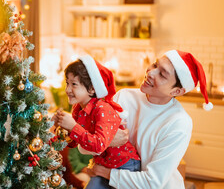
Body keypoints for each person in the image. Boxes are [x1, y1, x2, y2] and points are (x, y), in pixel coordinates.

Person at [88, 49, 213, 188]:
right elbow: (84, 146)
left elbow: (152, 182)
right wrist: (106, 141)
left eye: (162, 74)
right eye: (154, 65)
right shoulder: (123, 97)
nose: (150, 73)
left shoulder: (179, 122)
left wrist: (106, 173)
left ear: (176, 91)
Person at [52, 55, 141, 189]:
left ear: (92, 89)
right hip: (104, 165)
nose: (68, 90)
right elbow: (76, 141)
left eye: (74, 84)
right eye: (67, 83)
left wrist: (73, 126)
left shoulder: (102, 109)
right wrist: (62, 128)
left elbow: (98, 145)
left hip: (125, 165)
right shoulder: (78, 108)